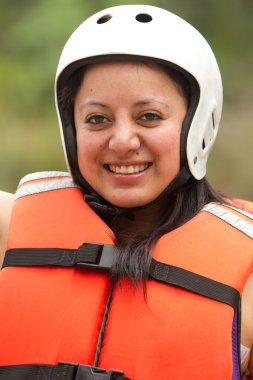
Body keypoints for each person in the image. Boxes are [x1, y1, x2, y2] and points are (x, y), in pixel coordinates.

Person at [0, 4, 253, 380]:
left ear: (198, 123)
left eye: (148, 116)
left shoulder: (247, 275)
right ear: (70, 129)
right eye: (97, 119)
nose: (121, 141)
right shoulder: (8, 228)